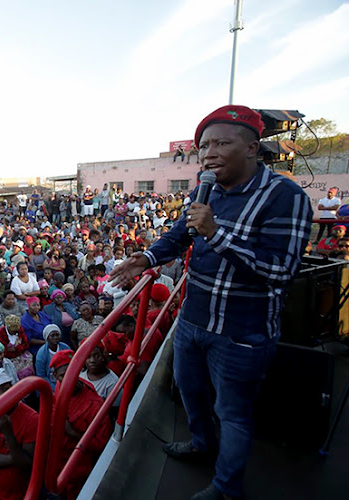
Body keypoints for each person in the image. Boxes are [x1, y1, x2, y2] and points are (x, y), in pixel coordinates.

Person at [110, 105, 312, 500]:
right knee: (190, 392)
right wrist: (148, 257)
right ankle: (200, 442)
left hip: (242, 332)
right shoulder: (206, 192)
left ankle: (225, 487)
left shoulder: (284, 197)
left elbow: (281, 270)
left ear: (253, 147)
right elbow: (179, 235)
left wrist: (217, 234)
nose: (209, 153)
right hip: (194, 319)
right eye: (204, 146)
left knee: (233, 414)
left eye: (222, 143)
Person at [50, 350, 112, 500]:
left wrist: (72, 433)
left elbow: (103, 443)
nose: (69, 379)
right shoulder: (59, 388)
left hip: (77, 470)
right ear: (55, 377)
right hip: (55, 462)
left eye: (73, 372)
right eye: (63, 376)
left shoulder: (95, 404)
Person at [0, 368, 38, 500]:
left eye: (6, 388)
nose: (3, 395)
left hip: (19, 492)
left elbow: (27, 463)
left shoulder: (32, 418)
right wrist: (14, 459)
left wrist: (8, 434)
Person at [0, 315, 34, 380]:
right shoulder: (1, 332)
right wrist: (14, 351)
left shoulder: (20, 329)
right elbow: (3, 350)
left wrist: (16, 349)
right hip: (9, 357)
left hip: (20, 353)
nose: (15, 332)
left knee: (29, 359)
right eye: (13, 331)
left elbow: (26, 344)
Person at [35, 324, 71, 391]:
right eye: (52, 335)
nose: (55, 337)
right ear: (47, 338)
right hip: (51, 383)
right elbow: (41, 376)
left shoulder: (65, 348)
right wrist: (55, 388)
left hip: (66, 379)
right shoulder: (41, 354)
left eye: (57, 335)